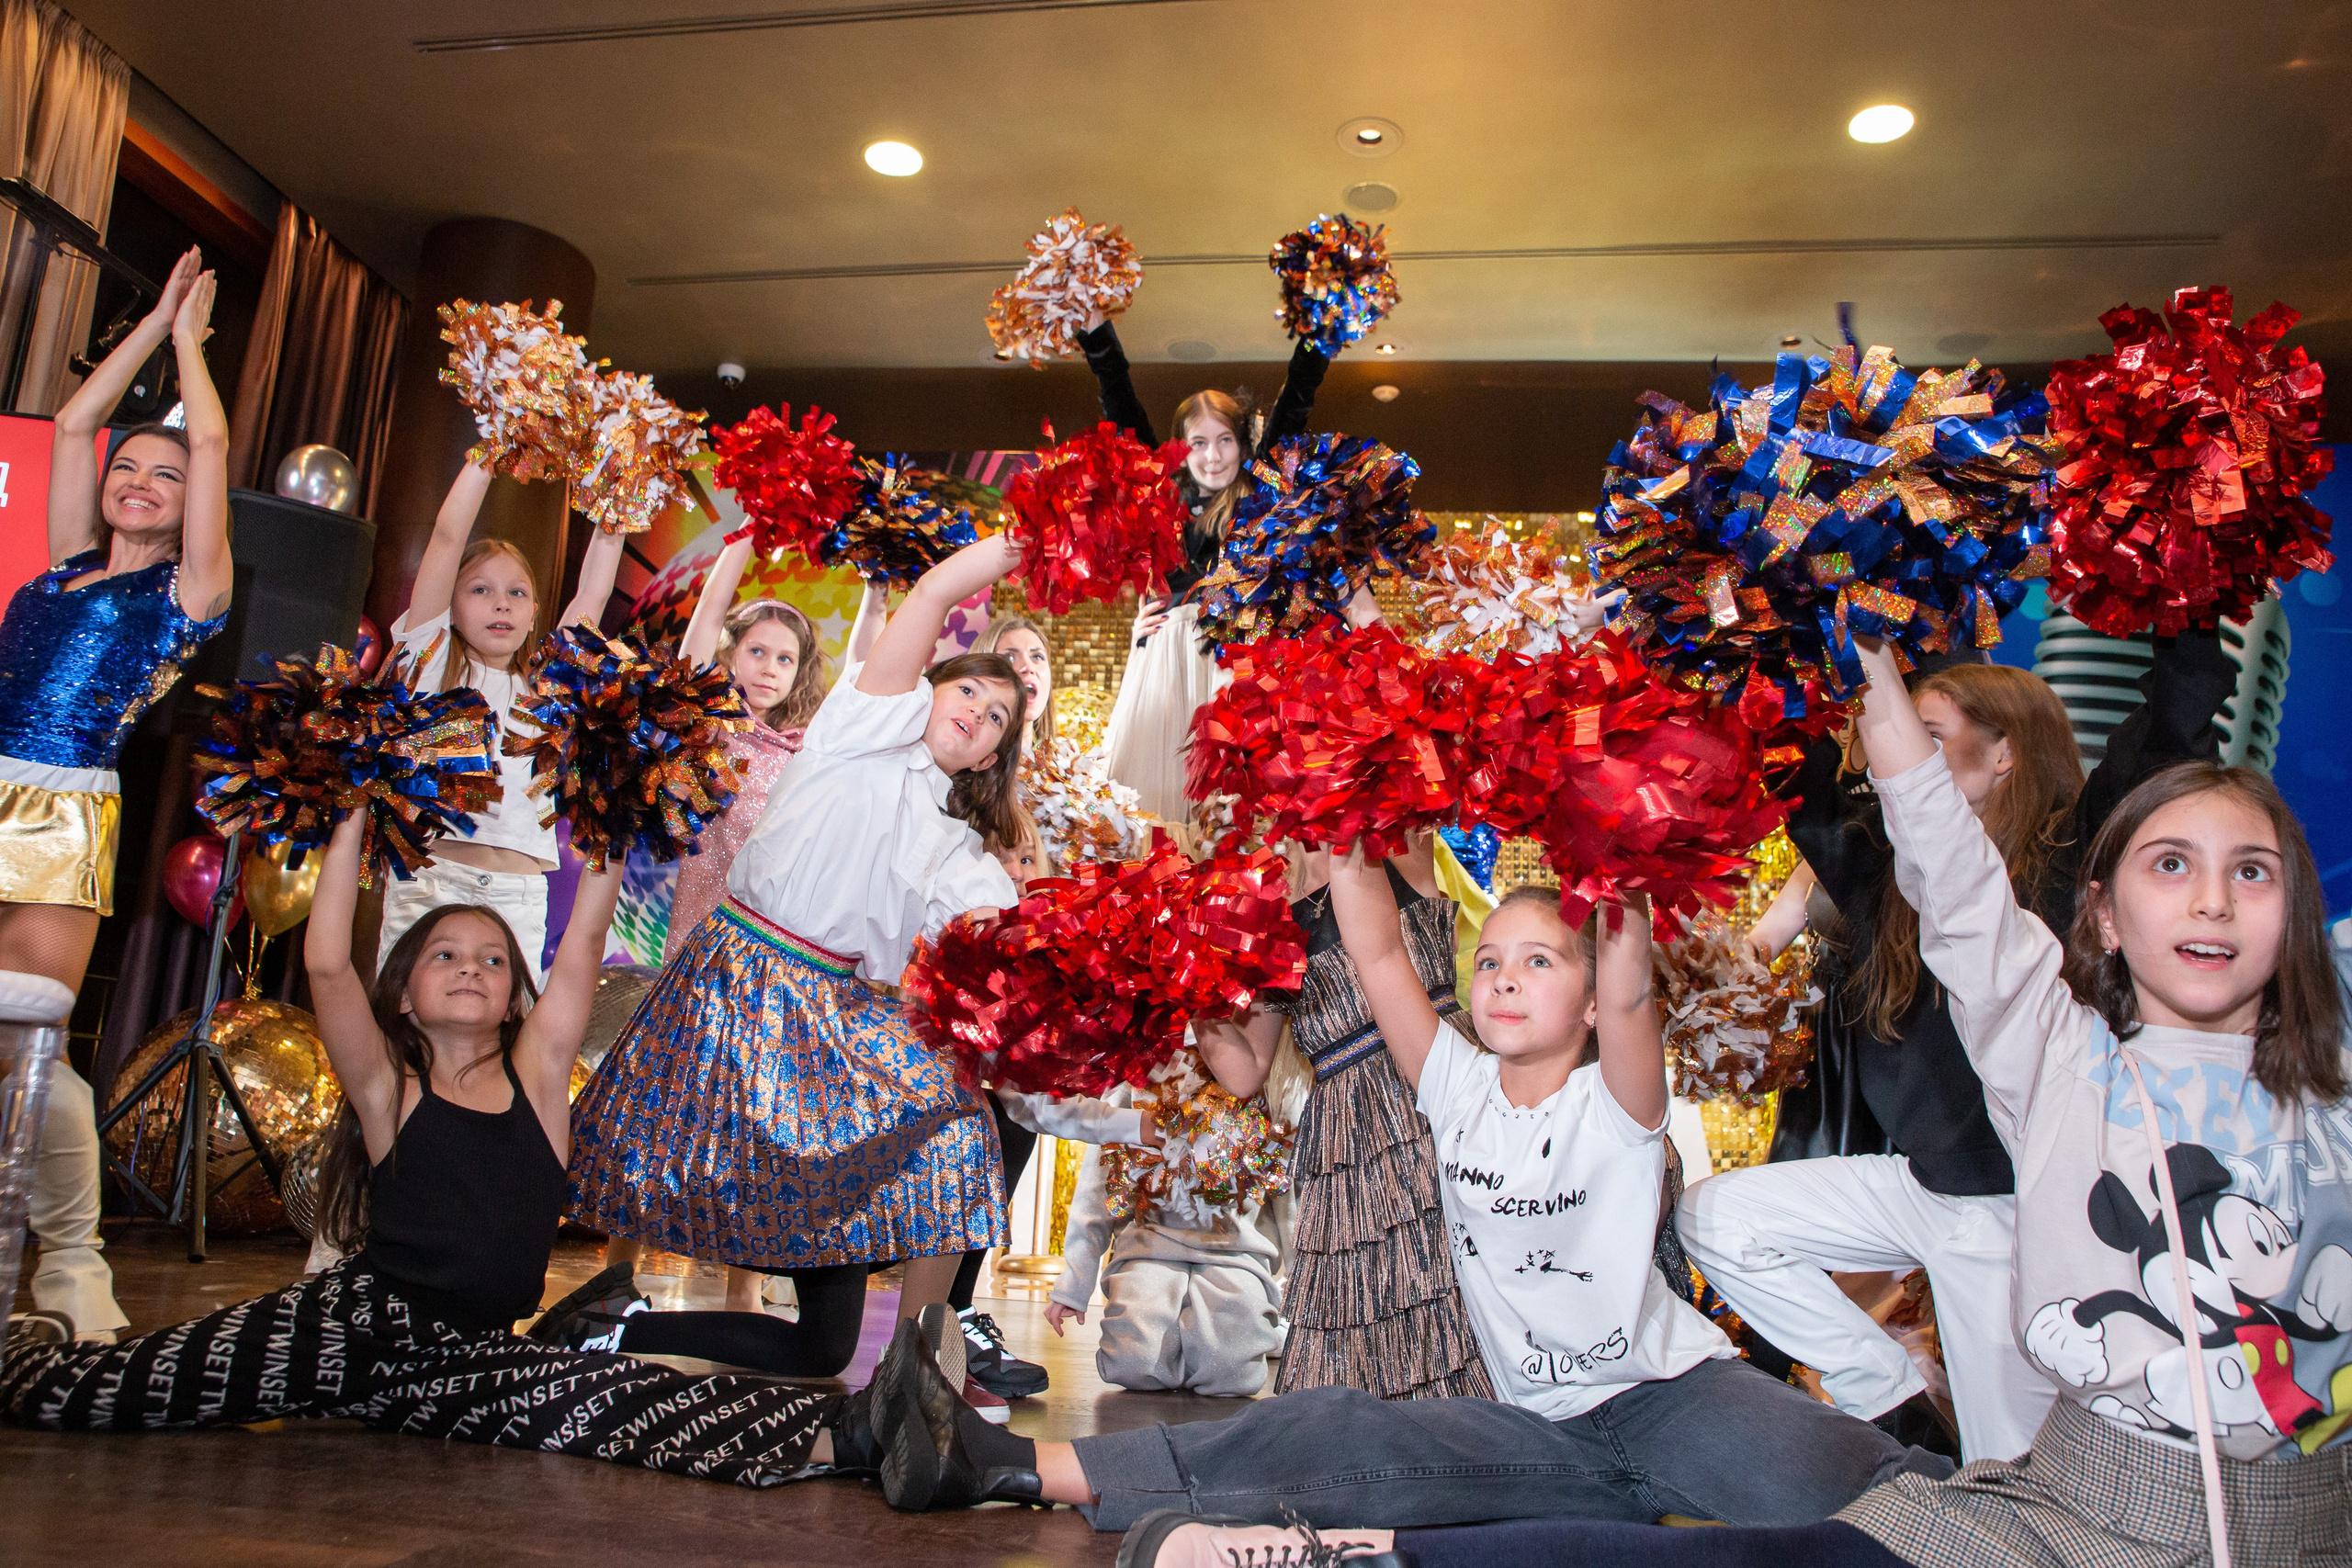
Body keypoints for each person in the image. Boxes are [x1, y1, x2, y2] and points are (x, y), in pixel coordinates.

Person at [1205, 636, 2352, 1568]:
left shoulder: (2078, 880)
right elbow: (1921, 860)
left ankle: (1905, 1460)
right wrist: (1813, 666)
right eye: (2170, 868)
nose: (2207, 898)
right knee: (1731, 1227)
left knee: (1974, 1469)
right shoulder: (2041, 1017)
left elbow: (2162, 733)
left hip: (2062, 1275)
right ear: (2107, 918)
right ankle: (1889, 1404)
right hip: (1949, 1208)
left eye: (2248, 872)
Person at [873, 851, 1950, 1521]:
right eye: (1492, 962)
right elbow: (1379, 953)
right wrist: (1334, 794)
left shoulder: (1616, 1103)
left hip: (1677, 1401)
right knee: (1339, 1433)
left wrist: (1615, 852)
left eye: (1541, 962)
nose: (1508, 977)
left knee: (1892, 1516)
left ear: (1583, 1006)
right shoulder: (1453, 1086)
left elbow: (1629, 992)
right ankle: (1001, 1464)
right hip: (1531, 1425)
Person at [0, 809, 865, 1475]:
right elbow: (330, 964)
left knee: (614, 1400)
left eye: (492, 960)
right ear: (406, 996)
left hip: (472, 1350)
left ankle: (859, 1436)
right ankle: (27, 1360)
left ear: (517, 998)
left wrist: (606, 818)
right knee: (117, 1393)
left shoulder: (538, 1077)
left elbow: (585, 948)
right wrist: (351, 819)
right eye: (445, 954)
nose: (470, 967)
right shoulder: (388, 1087)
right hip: (350, 1324)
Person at [1681, 639, 2237, 1462]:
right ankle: (1896, 1404)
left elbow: (2175, 720)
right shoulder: (1885, 870)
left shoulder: (2081, 851)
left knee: (2009, 1471)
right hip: (1921, 1186)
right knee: (1717, 1217)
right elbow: (1800, 772)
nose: (1900, 754)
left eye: (1929, 732)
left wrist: (2187, 578)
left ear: (2006, 749)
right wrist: (1779, 615)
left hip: (2024, 1210)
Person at [566, 531, 1029, 1331]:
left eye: (997, 719)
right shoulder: (859, 728)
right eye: (970, 694)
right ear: (925, 689)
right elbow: (929, 596)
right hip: (742, 982)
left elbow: (1006, 936)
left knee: (826, 1339)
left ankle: (906, 1369)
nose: (978, 716)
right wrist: (1033, 536)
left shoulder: (958, 848)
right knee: (659, 1179)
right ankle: (916, 1372)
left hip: (832, 1019)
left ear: (992, 756)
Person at [0, 249, 229, 1343]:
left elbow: (215, 441)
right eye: (129, 468)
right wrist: (153, 319)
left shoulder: (186, 592)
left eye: (164, 474)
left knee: (32, 1045)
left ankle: (74, 1262)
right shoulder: (60, 566)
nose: (138, 479)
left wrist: (192, 346)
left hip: (63, 812)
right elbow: (74, 422)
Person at [590, 525, 831, 1319]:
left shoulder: (804, 755)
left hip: (765, 965)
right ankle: (614, 1281)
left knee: (750, 1129)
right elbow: (698, 633)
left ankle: (740, 1293)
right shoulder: (709, 727)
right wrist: (744, 539)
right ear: (732, 656)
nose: (768, 669)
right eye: (756, 651)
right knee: (659, 1119)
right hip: (690, 954)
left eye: (785, 659)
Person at [1195, 834, 1495, 1399]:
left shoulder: (1395, 839)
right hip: (1347, 1126)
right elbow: (1244, 1072)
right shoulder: (1265, 902)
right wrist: (1187, 984)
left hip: (1430, 1084)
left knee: (1447, 1278)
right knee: (1359, 1299)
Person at [377, 459, 625, 983]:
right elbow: (446, 539)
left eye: (516, 593)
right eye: (480, 590)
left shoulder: (543, 690)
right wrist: (488, 456)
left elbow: (593, 596)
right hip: (433, 883)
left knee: (504, 1047)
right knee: (407, 1038)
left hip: (519, 894)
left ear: (534, 612)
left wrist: (618, 504)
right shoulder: (433, 661)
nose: (501, 604)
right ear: (450, 603)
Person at [1080, 307, 1330, 822]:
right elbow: (1119, 404)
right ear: (1180, 449)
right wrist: (1093, 328)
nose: (1213, 456)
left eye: (1225, 440)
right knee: (1158, 813)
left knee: (1244, 819)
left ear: (1243, 445)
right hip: (1168, 662)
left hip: (1239, 664)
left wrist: (1321, 325)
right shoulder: (1160, 496)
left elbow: (1295, 403)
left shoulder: (1262, 492)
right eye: (1198, 442)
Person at [1045, 1050, 1289, 1398]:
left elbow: (1290, 1194)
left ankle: (1254, 1325)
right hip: (1149, 1248)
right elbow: (1098, 1184)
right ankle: (1208, 1330)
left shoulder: (1262, 1074)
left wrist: (1303, 1295)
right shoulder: (1135, 1070)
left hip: (1235, 1252)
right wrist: (1074, 1283)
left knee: (1232, 1375)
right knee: (1132, 1362)